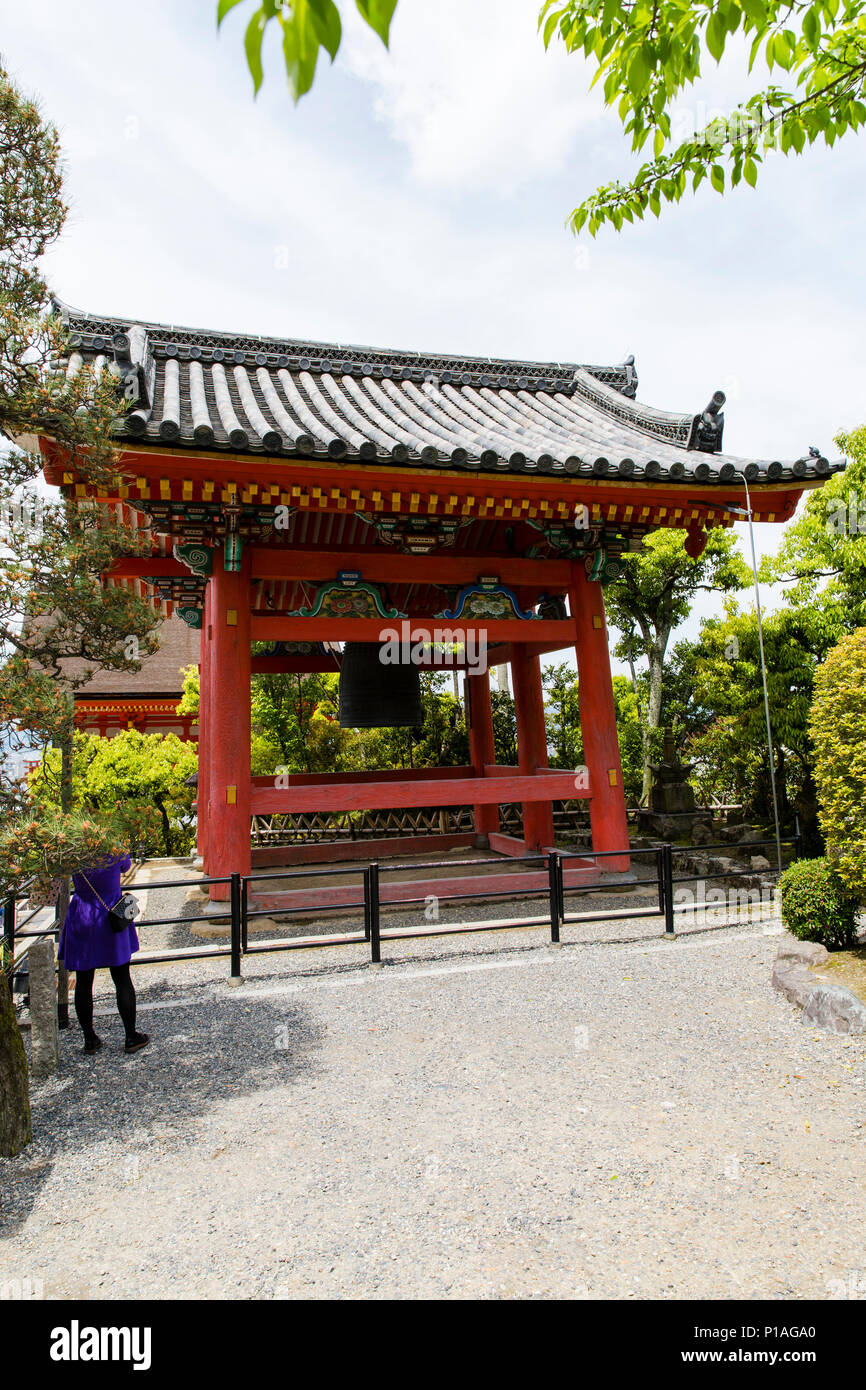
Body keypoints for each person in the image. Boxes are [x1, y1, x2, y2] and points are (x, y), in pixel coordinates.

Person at [58, 854, 149, 1055]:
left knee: (83, 981)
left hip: (82, 912)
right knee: (122, 978)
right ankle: (130, 1036)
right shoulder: (112, 848)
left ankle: (90, 1039)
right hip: (111, 914)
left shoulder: (75, 849)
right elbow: (126, 867)